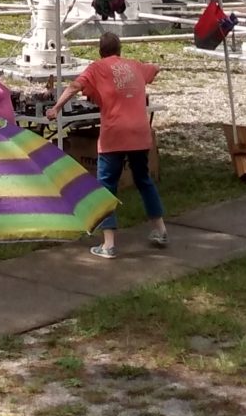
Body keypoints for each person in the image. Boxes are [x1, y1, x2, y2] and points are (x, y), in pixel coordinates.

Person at [53, 30, 166, 258]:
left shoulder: (97, 68)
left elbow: (75, 86)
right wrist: (156, 67)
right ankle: (160, 229)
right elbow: (154, 69)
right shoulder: (135, 65)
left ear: (100, 51)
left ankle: (108, 244)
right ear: (120, 49)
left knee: (106, 187)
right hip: (139, 132)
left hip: (115, 133)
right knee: (143, 180)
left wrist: (56, 108)